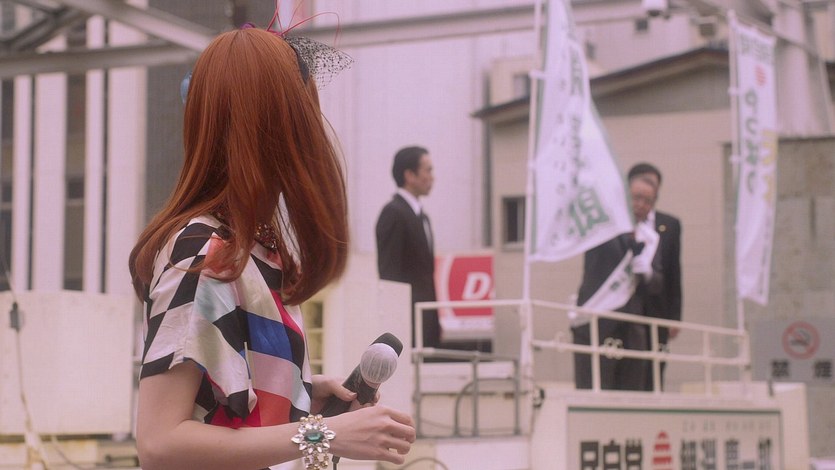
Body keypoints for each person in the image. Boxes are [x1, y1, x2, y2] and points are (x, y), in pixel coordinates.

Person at [128, 26, 414, 470]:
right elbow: (160, 442)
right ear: (271, 128)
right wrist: (326, 434)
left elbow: (221, 408)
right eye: (300, 116)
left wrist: (300, 398)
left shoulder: (250, 248)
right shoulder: (205, 252)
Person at [571, 176, 664, 391]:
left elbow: (658, 285)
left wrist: (648, 273)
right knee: (594, 390)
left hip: (632, 329)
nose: (641, 205)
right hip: (597, 321)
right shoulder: (602, 227)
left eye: (648, 201)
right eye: (636, 198)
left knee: (631, 394)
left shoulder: (650, 239)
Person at [375, 146, 439, 349]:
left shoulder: (421, 215)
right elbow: (389, 273)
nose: (432, 177)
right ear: (410, 175)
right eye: (428, 170)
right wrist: (397, 322)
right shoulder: (393, 213)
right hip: (405, 324)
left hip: (426, 320)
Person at [628, 163, 682, 391]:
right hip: (625, 307)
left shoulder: (669, 225)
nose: (642, 203)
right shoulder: (619, 221)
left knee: (655, 371)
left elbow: (673, 272)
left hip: (657, 308)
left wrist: (675, 316)